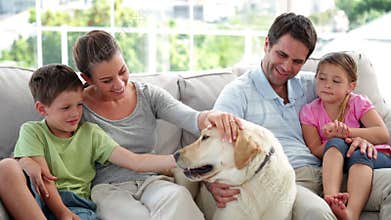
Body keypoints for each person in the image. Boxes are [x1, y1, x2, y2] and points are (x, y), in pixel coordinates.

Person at [208, 12, 391, 220]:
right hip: (290, 178)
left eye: (297, 61)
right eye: (282, 55)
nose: (287, 67)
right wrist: (211, 181)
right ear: (267, 44)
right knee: (319, 214)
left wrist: (361, 139)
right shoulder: (238, 92)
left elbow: (352, 105)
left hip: (339, 170)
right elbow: (210, 142)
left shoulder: (315, 85)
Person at [71, 30, 240, 219]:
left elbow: (192, 118)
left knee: (179, 197)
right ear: (87, 78)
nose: (119, 84)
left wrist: (212, 116)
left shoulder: (147, 95)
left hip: (152, 181)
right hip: (108, 189)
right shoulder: (77, 108)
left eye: (122, 71)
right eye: (107, 80)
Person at [14, 64, 186, 220]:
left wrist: (182, 158)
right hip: (40, 198)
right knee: (6, 167)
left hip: (77, 203)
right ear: (42, 109)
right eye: (66, 108)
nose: (75, 113)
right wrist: (61, 212)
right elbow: (45, 180)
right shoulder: (32, 131)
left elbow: (135, 161)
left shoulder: (91, 133)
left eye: (80, 105)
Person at [299, 52, 391, 220]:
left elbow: (383, 134)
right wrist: (338, 139)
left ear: (350, 86)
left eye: (336, 81)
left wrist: (348, 133)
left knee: (359, 152)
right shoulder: (309, 111)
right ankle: (332, 199)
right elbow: (316, 149)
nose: (327, 85)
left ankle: (352, 213)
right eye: (322, 78)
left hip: (374, 155)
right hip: (340, 157)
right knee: (334, 143)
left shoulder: (357, 102)